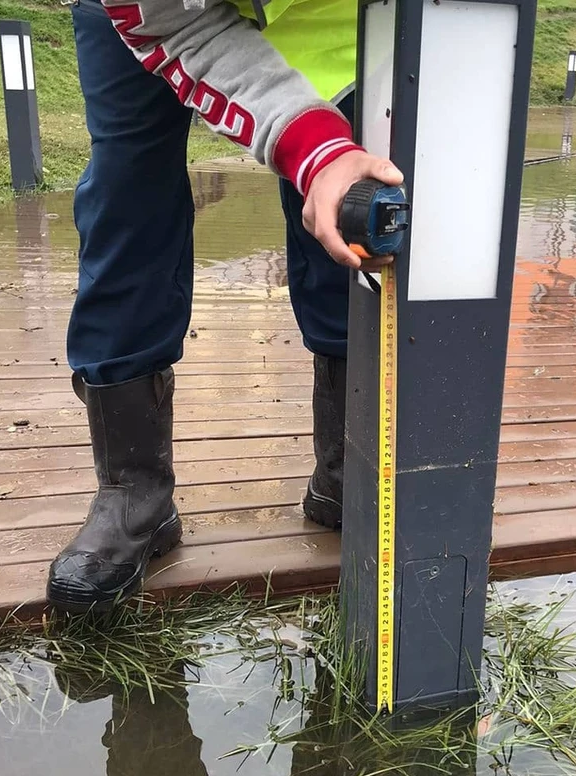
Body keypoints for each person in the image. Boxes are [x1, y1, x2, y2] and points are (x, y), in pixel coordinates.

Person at [45, 0, 402, 612]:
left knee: (345, 215)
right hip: (159, 15)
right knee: (126, 200)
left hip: (341, 22)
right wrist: (309, 147)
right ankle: (135, 495)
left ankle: (350, 470)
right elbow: (178, 22)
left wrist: (325, 161)